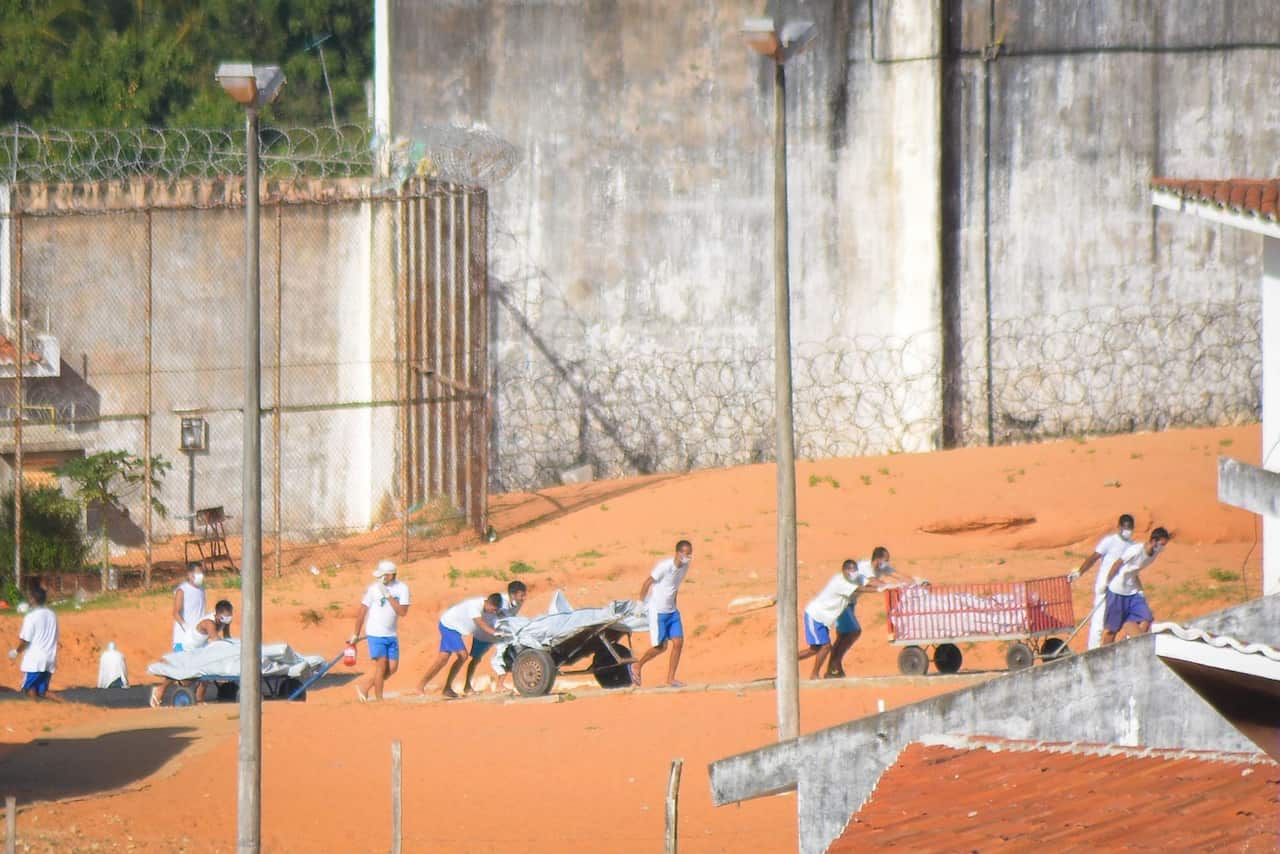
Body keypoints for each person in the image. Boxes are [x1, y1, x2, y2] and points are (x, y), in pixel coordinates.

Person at [799, 550, 893, 680]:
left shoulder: (856, 577)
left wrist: (888, 585)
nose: (852, 573)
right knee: (824, 647)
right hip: (816, 616)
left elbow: (868, 581)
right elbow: (860, 588)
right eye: (849, 570)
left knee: (815, 649)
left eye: (854, 570)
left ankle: (788, 662)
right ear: (843, 571)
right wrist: (879, 589)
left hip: (824, 619)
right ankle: (813, 674)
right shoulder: (840, 582)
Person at [415, 593, 505, 699]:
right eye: (493, 609)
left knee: (442, 659)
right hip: (449, 627)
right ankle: (441, 687)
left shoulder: (490, 609)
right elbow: (480, 623)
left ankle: (424, 687)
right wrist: (495, 633)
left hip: (455, 630)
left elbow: (500, 616)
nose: (494, 612)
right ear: (488, 603)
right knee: (463, 655)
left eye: (496, 610)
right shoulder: (475, 605)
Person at [630, 539, 692, 688]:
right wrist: (640, 604)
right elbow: (648, 582)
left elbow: (674, 586)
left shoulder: (685, 567)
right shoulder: (664, 567)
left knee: (678, 643)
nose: (688, 557)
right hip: (658, 611)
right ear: (678, 553)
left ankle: (671, 678)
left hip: (672, 611)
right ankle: (637, 665)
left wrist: (674, 604)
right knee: (661, 647)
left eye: (690, 554)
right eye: (686, 553)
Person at [150, 599, 235, 707]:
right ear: (217, 614)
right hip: (189, 647)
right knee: (181, 674)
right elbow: (216, 641)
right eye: (225, 616)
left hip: (201, 647)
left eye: (230, 615)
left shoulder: (224, 621)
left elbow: (227, 636)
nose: (228, 618)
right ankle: (159, 690)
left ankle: (199, 698)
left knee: (205, 673)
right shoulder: (209, 623)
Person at [1068, 514, 1135, 650]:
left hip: (1120, 588)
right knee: (1099, 620)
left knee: (1121, 619)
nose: (1128, 530)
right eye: (1126, 527)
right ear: (1120, 527)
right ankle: (1093, 650)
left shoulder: (1132, 546)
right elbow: (1094, 557)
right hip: (1104, 585)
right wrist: (1080, 572)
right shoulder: (1110, 541)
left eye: (1131, 528)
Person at [350, 560, 410, 702]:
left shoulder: (402, 588)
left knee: (392, 668)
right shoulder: (373, 589)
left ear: (391, 575)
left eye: (383, 575)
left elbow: (402, 612)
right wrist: (356, 633)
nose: (380, 578)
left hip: (391, 634)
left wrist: (388, 596)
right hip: (375, 632)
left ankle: (365, 687)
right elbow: (362, 610)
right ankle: (379, 700)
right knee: (381, 665)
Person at [1100, 527, 1170, 646]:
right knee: (1112, 629)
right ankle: (1103, 654)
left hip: (1132, 591)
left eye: (1164, 545)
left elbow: (1135, 571)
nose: (1162, 548)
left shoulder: (1155, 552)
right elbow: (1117, 564)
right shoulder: (1136, 550)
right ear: (1153, 541)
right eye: (1161, 544)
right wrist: (1106, 583)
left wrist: (1140, 589)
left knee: (1146, 618)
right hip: (1117, 589)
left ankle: (1132, 642)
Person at [480, 580, 528, 693]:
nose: (523, 598)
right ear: (513, 595)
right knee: (502, 655)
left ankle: (501, 683)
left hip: (506, 631)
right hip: (496, 630)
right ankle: (498, 685)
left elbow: (512, 618)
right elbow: (498, 618)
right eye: (521, 595)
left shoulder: (518, 603)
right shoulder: (501, 602)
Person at [10, 585, 57, 699]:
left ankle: (34, 712)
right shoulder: (52, 615)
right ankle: (67, 704)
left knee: (29, 689)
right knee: (44, 692)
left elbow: (25, 640)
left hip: (34, 661)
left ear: (33, 599)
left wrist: (16, 652)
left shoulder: (31, 617)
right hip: (50, 658)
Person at [170, 563, 207, 652]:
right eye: (198, 573)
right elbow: (176, 612)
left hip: (198, 639)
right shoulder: (182, 590)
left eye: (202, 573)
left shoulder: (202, 590)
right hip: (183, 640)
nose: (201, 576)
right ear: (190, 575)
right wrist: (187, 628)